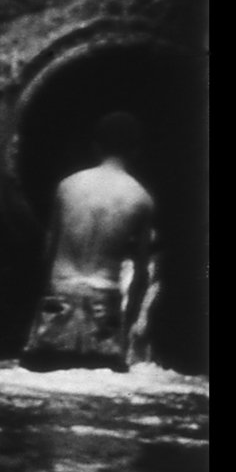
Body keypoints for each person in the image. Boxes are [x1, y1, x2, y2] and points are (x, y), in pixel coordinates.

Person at [23, 111, 159, 371]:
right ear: (136, 150)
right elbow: (141, 275)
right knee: (98, 383)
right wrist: (128, 324)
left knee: (44, 375)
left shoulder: (67, 186)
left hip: (60, 291)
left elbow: (47, 253)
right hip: (104, 299)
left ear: (95, 145)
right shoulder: (142, 199)